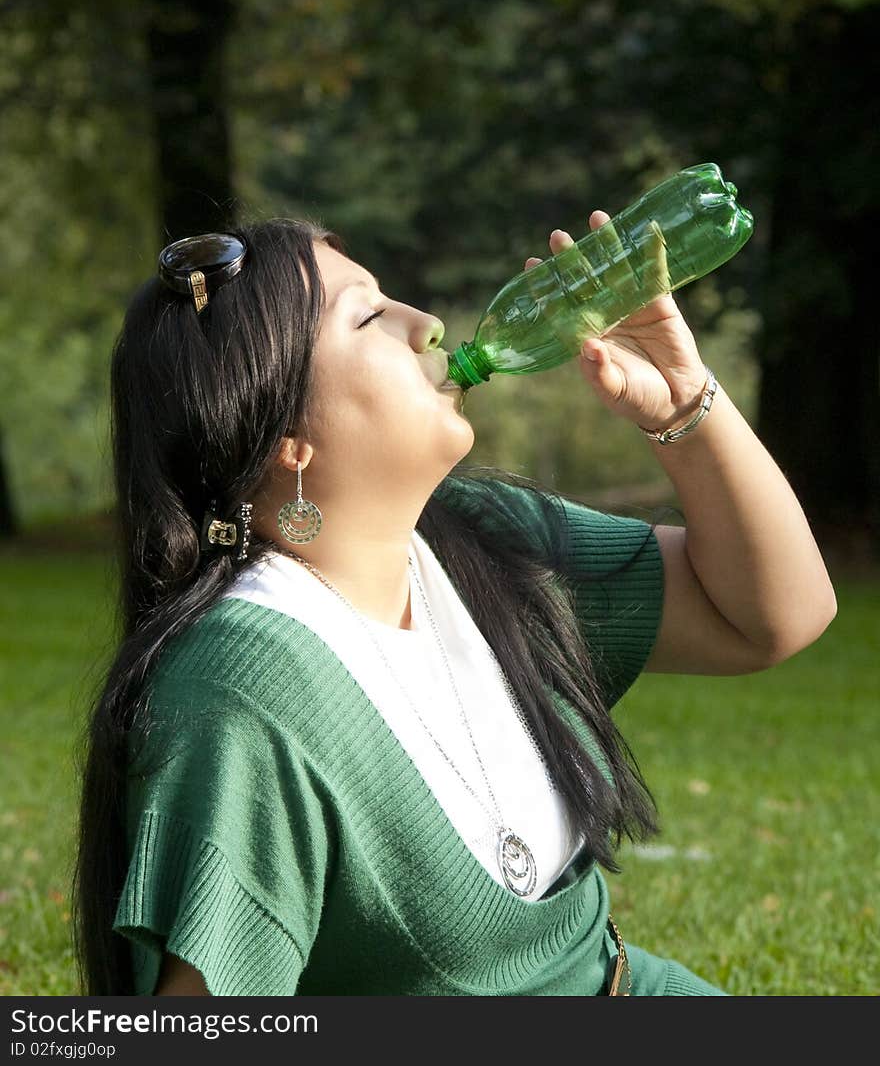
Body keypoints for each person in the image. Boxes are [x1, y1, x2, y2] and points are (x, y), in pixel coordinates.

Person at [72, 212, 837, 997]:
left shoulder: (480, 543)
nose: (428, 327)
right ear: (285, 440)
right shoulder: (247, 690)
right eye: (368, 315)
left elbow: (775, 616)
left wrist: (685, 405)